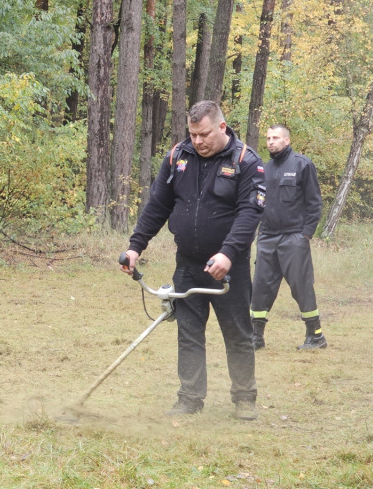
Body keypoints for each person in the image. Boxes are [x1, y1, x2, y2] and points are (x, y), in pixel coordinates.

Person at [123, 100, 266, 421]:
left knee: (238, 332)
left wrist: (228, 254)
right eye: (192, 134)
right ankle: (189, 398)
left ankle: (244, 397)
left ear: (221, 128)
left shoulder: (246, 162)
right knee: (188, 333)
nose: (198, 141)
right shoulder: (178, 157)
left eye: (203, 135)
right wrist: (135, 247)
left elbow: (250, 213)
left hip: (230, 268)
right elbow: (158, 205)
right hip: (187, 264)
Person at [250, 124, 326, 350]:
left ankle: (316, 335)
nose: (270, 142)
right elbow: (258, 203)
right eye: (268, 138)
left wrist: (306, 234)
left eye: (275, 138)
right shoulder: (264, 169)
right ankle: (255, 337)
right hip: (267, 238)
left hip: (294, 238)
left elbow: (314, 203)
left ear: (287, 140)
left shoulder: (303, 164)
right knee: (260, 287)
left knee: (301, 287)